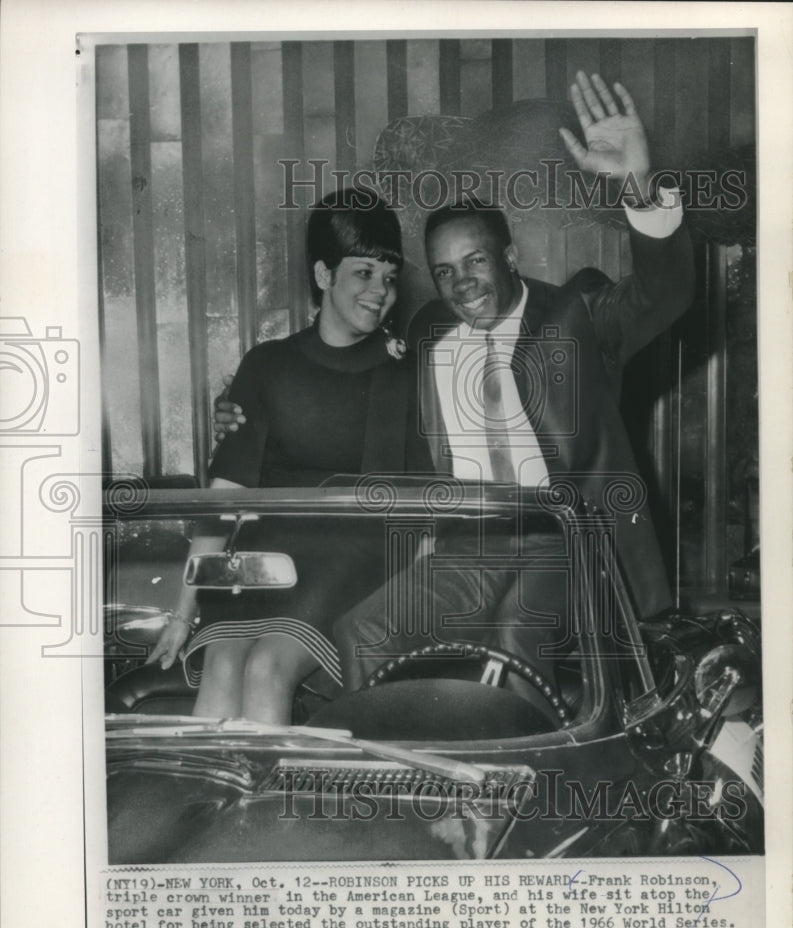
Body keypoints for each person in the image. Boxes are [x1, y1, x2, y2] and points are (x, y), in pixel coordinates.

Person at [214, 72, 695, 693]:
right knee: (365, 635)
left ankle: (528, 786)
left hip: (567, 539)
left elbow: (667, 292)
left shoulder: (578, 316)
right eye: (444, 272)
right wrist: (236, 410)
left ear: (510, 257)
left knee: (521, 634)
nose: (462, 282)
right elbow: (340, 378)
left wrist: (637, 183)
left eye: (476, 261)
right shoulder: (427, 333)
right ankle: (381, 785)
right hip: (466, 544)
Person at [144, 189, 432, 724]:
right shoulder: (267, 364)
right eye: (363, 273)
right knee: (224, 666)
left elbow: (412, 517)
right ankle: (210, 804)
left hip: (350, 555)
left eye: (389, 276)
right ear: (323, 275)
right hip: (265, 559)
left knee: (266, 668)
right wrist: (182, 612)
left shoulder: (402, 372)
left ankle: (267, 810)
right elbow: (224, 497)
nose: (380, 292)